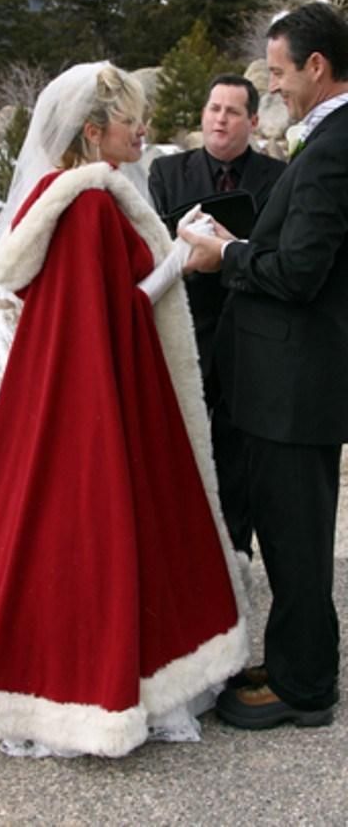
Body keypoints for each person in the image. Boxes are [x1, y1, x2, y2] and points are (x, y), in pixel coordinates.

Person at [0, 62, 248, 758]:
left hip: (55, 391)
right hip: (106, 391)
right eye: (130, 123)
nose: (142, 130)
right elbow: (113, 314)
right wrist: (179, 258)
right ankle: (106, 685)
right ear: (94, 133)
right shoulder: (91, 205)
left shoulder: (53, 198)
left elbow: (75, 310)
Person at [181, 1, 348, 730]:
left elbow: (302, 271)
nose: (273, 85)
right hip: (291, 385)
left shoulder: (337, 147)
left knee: (297, 540)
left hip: (297, 389)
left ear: (316, 67)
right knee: (289, 533)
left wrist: (229, 254)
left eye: (278, 73)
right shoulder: (329, 141)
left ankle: (306, 686)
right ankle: (289, 660)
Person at [149, 75, 286, 557]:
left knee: (237, 456)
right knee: (177, 451)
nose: (219, 119)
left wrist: (232, 249)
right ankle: (183, 560)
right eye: (213, 109)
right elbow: (157, 251)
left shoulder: (277, 178)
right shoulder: (167, 174)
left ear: (252, 121)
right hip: (188, 330)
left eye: (231, 111)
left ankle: (237, 558)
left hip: (251, 333)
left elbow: (278, 257)